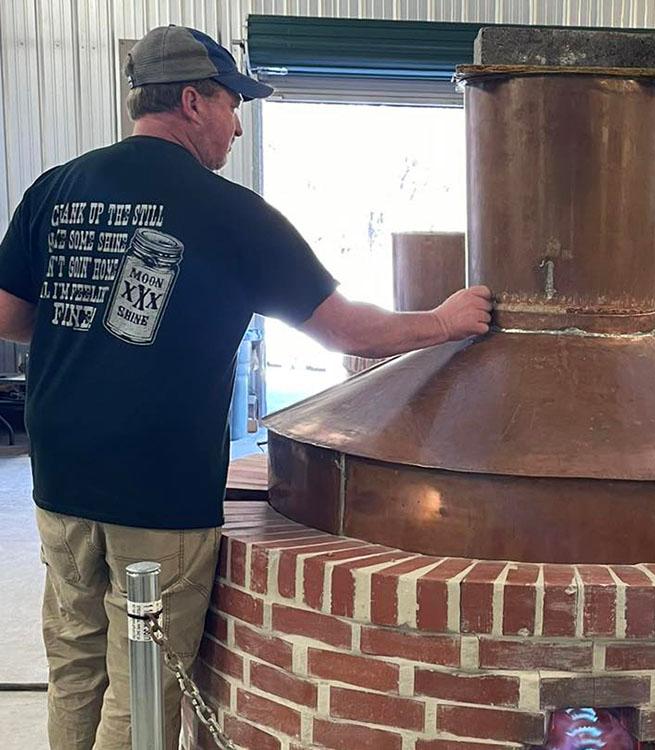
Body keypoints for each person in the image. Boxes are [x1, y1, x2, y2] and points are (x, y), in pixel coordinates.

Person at [0, 24, 492, 750]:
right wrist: (445, 321)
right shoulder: (229, 213)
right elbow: (347, 330)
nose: (237, 124)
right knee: (145, 677)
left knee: (76, 657)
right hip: (155, 487)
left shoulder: (57, 189)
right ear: (194, 101)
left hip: (59, 473)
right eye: (234, 104)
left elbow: (10, 316)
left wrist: (92, 339)